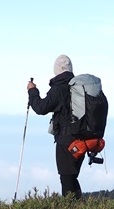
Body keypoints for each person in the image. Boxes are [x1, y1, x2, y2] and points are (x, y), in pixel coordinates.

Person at [27, 55, 84, 199]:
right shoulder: (79, 87)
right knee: (71, 177)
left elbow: (41, 107)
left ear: (56, 69)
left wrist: (32, 91)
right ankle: (80, 207)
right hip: (82, 140)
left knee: (66, 179)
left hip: (66, 141)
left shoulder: (58, 89)